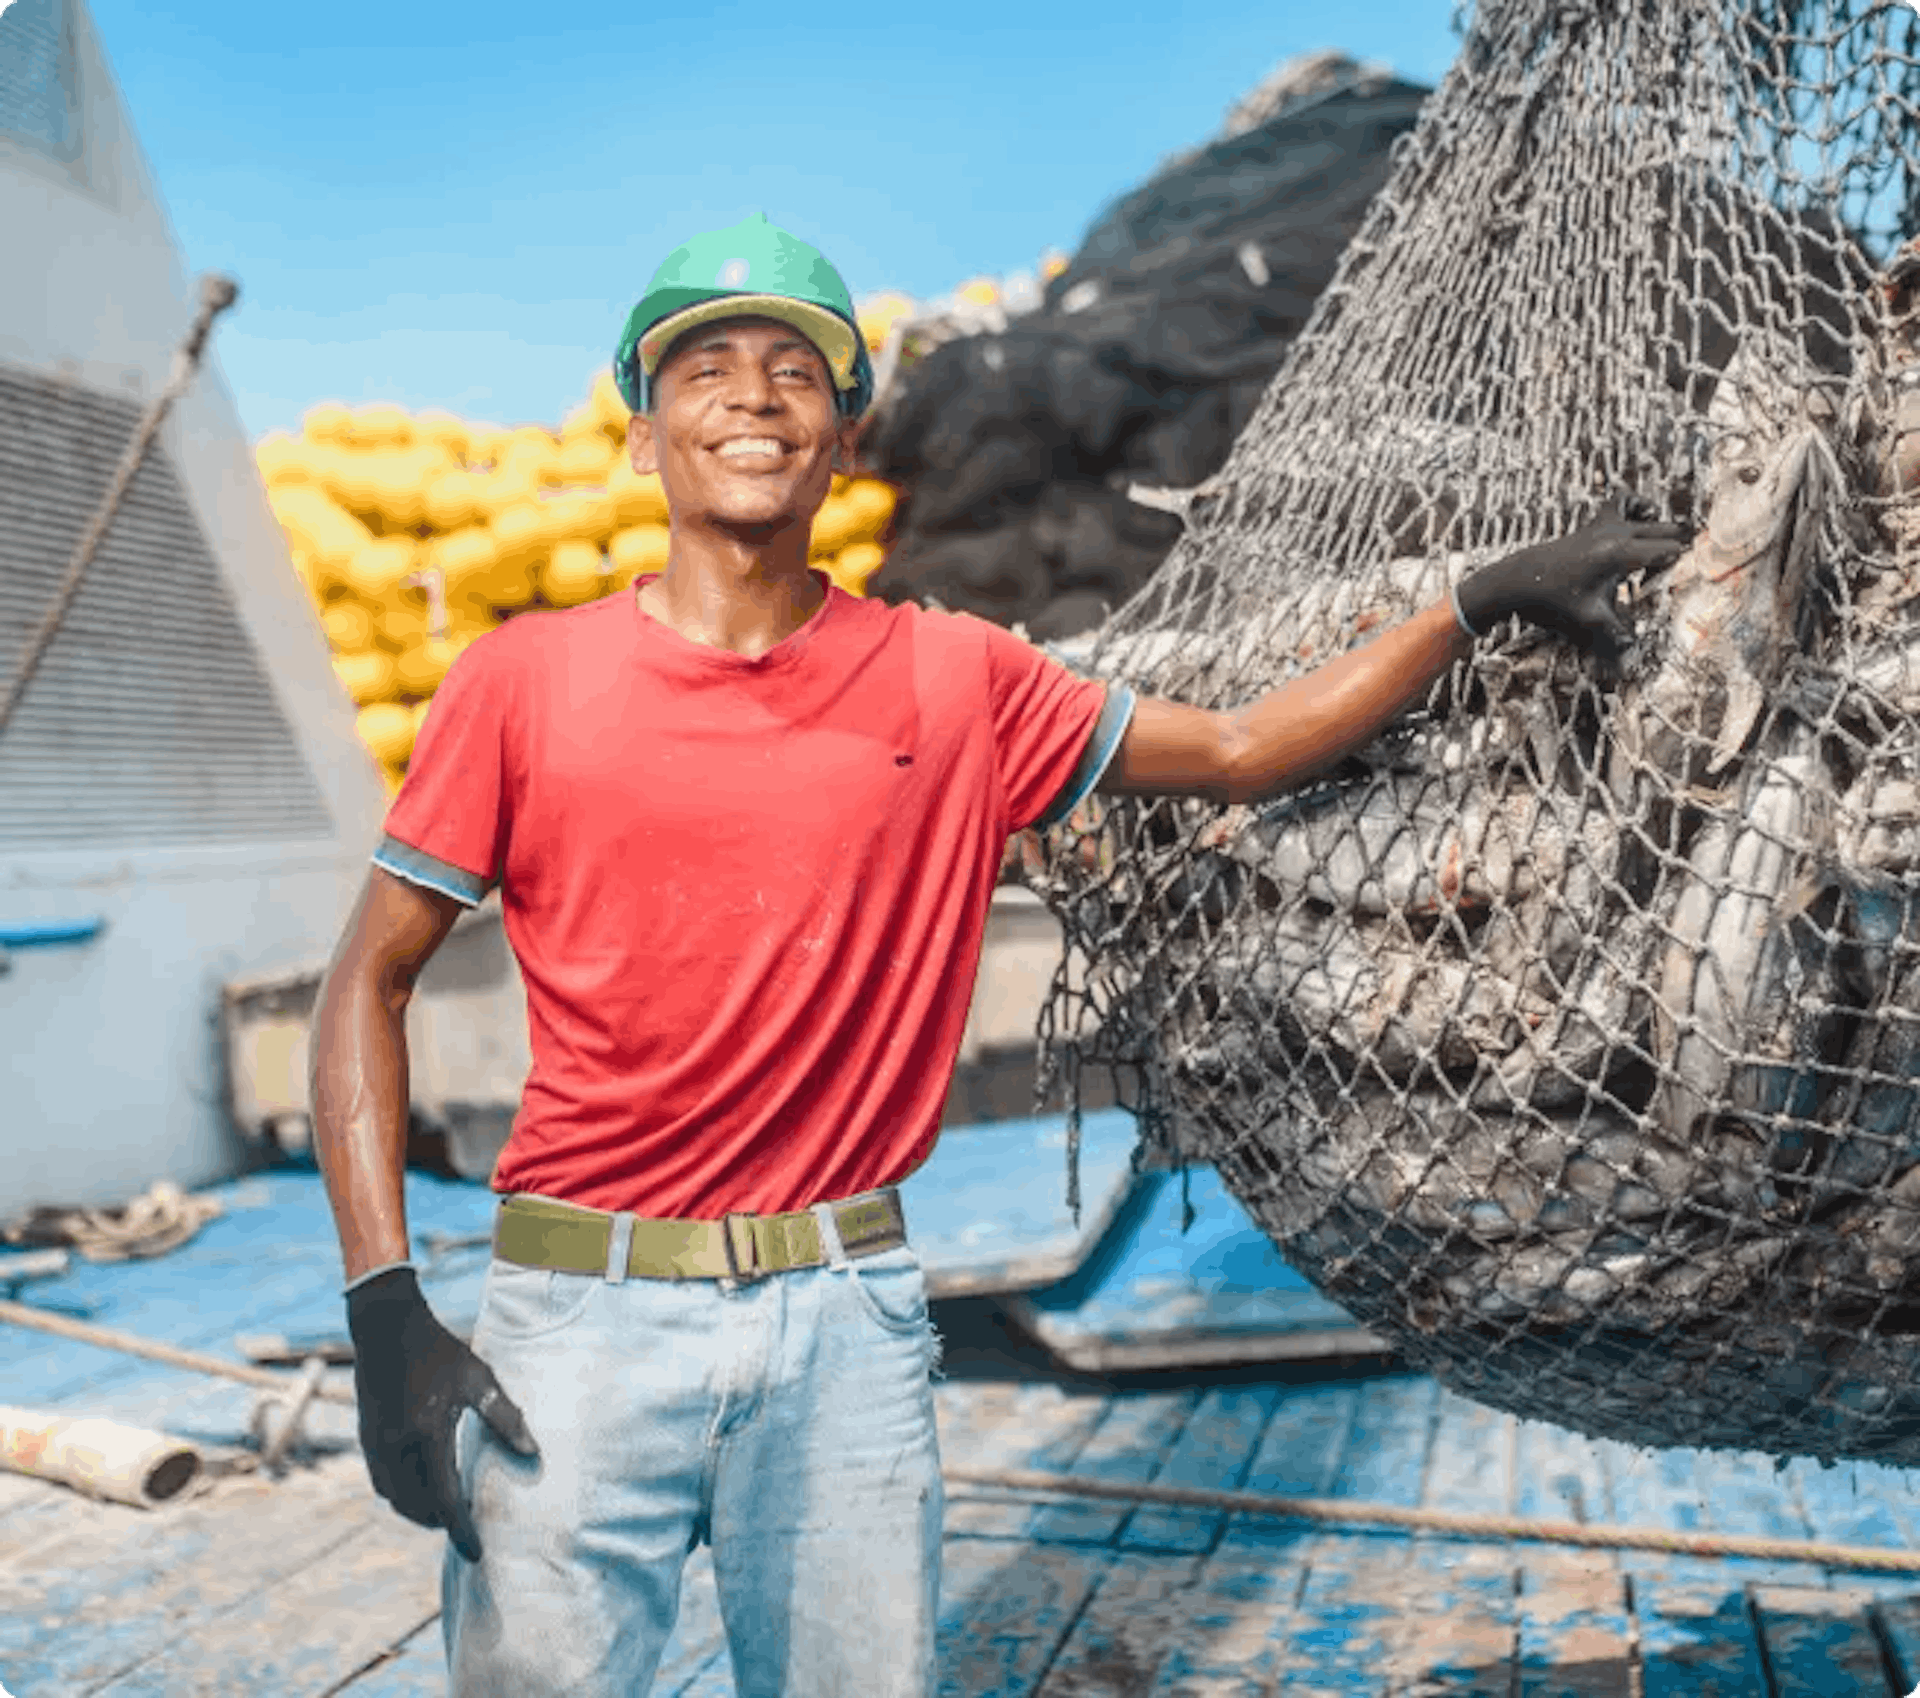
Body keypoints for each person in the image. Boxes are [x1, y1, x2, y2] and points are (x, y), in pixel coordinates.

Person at [311, 213, 1686, 1698]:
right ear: (647, 435)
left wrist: (1472, 604)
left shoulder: (952, 674)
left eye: (796, 370)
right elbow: (365, 983)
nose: (755, 395)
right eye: (707, 368)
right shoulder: (520, 679)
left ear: (842, 439)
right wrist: (386, 1307)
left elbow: (1235, 749)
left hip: (844, 1319)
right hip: (575, 1323)